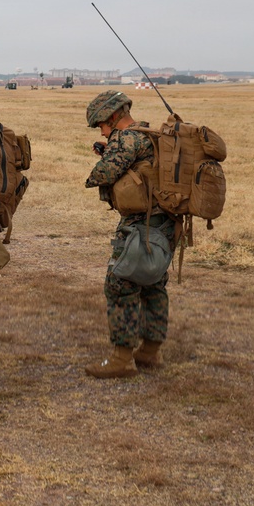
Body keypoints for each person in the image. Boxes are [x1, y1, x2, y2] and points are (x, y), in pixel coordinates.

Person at [83, 90, 176, 378]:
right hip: (165, 225)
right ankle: (150, 351)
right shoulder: (149, 134)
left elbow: (102, 175)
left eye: (101, 124)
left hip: (139, 226)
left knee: (120, 285)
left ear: (112, 116)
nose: (102, 130)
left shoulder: (125, 139)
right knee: (153, 285)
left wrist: (102, 161)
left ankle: (122, 358)